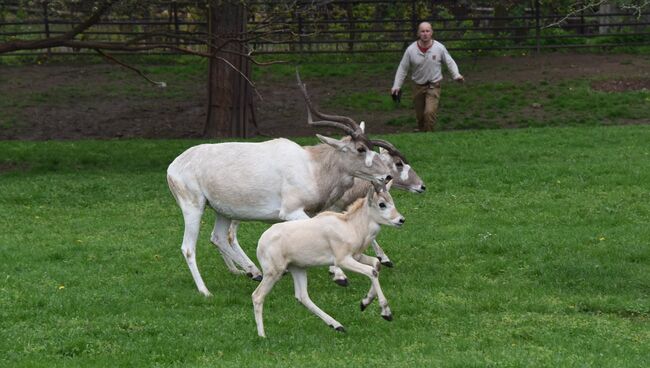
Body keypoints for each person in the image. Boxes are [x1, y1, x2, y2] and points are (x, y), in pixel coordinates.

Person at [391, 22, 464, 132]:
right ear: (418, 33)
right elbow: (403, 68)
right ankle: (422, 134)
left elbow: (450, 62)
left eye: (427, 31)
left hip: (434, 85)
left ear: (431, 33)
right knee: (420, 116)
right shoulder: (411, 50)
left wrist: (456, 75)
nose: (425, 34)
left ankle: (429, 136)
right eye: (422, 31)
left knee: (429, 113)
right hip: (418, 86)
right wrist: (396, 86)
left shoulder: (439, 48)